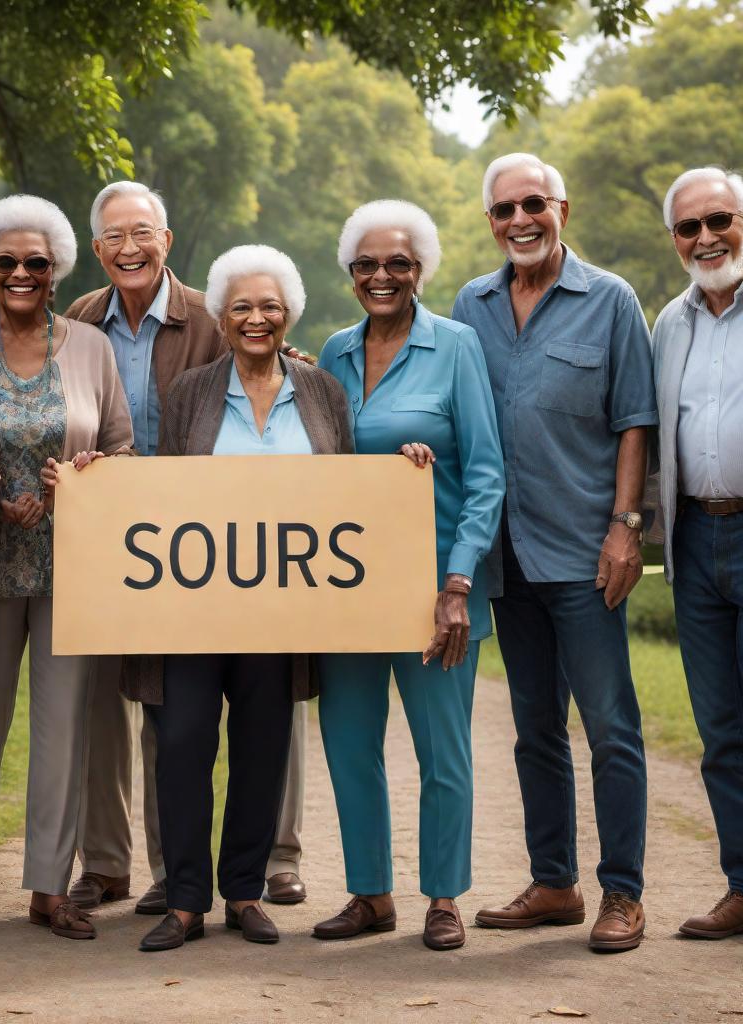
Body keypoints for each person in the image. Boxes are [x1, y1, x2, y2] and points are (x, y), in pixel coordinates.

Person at [65, 181, 310, 914]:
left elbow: (266, 362)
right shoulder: (79, 320)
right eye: (114, 236)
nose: (130, 248)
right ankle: (136, 866)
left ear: (166, 241)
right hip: (114, 533)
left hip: (216, 536)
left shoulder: (212, 314)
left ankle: (277, 858)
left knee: (265, 700)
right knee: (141, 703)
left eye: (143, 233)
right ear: (98, 249)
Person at [452, 153, 656, 953]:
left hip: (584, 551)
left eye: (533, 203)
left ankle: (623, 893)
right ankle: (555, 882)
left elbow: (634, 419)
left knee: (610, 727)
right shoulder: (470, 304)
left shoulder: (610, 300)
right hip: (506, 557)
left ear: (561, 208)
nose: (519, 221)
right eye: (504, 210)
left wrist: (625, 525)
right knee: (535, 728)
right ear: (491, 222)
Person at [0, 194, 133, 941]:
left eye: (35, 263)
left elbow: (123, 449)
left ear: (55, 269)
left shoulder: (91, 347)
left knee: (63, 727)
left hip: (70, 567)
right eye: (6, 261)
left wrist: (86, 472)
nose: (20, 273)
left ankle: (48, 886)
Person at [123, 244, 352, 952]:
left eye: (271, 307)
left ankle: (245, 894)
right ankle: (186, 900)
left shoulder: (321, 392)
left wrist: (404, 468)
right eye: (243, 308)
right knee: (183, 744)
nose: (257, 319)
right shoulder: (190, 391)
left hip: (280, 613)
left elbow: (347, 491)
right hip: (193, 612)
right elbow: (163, 495)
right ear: (221, 319)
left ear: (290, 316)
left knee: (262, 751)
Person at [314, 201, 504, 950]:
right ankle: (369, 893)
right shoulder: (332, 353)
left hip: (435, 591)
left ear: (420, 269)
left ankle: (444, 897)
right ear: (351, 275)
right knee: (349, 742)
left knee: (442, 751)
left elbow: (486, 473)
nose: (381, 275)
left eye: (397, 262)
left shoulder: (456, 346)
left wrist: (458, 584)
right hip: (346, 590)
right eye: (366, 264)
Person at [650, 166, 743, 940]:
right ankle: (742, 884)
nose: (707, 238)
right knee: (720, 731)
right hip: (696, 540)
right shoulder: (667, 325)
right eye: (690, 228)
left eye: (720, 219)